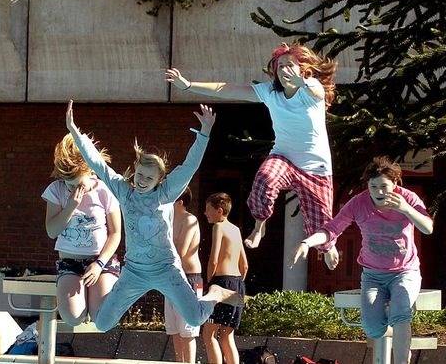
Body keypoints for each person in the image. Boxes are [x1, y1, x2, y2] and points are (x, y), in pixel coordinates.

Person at [65, 100, 242, 332]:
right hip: (134, 272)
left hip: (166, 269)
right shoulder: (124, 192)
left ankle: (216, 293)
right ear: (135, 170)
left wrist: (204, 133)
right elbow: (98, 164)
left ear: (159, 180)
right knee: (102, 323)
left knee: (196, 317)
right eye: (139, 175)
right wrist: (74, 131)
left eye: (149, 179)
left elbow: (189, 167)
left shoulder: (165, 194)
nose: (141, 181)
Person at [165, 43, 337, 255]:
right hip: (283, 157)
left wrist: (303, 81)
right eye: (280, 66)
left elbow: (318, 91)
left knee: (323, 222)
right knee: (265, 177)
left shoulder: (309, 90)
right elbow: (226, 89)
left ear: (303, 69)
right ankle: (259, 228)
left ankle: (328, 249)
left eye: (289, 65)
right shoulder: (270, 92)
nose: (284, 70)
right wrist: (189, 85)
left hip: (316, 167)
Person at [291, 156, 432, 364]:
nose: (379, 192)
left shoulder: (408, 198)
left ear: (395, 183)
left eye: (384, 186)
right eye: (373, 186)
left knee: (401, 312)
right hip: (373, 276)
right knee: (373, 327)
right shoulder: (359, 203)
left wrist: (405, 209)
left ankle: (402, 354)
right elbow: (332, 229)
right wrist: (307, 243)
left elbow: (428, 228)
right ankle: (394, 321)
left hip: (405, 272)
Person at [43, 135, 122, 325]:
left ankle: (112, 292)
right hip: (70, 262)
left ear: (90, 171)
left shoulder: (105, 190)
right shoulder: (57, 191)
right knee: (73, 317)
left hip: (101, 262)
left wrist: (99, 264)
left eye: (78, 184)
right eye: (70, 185)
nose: (74, 189)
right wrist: (70, 206)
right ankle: (83, 303)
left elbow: (115, 233)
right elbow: (51, 231)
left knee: (101, 318)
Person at [202, 192, 247, 364]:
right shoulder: (235, 230)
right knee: (227, 335)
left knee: (209, 334)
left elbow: (213, 260)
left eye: (208, 210)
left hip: (221, 283)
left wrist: (210, 282)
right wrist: (237, 283)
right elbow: (245, 265)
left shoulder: (218, 227)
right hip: (237, 283)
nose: (205, 213)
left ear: (219, 211)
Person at [164, 188, 202, 363]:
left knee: (188, 329)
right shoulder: (169, 220)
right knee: (174, 329)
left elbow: (181, 251)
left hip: (189, 278)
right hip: (172, 278)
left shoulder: (190, 219)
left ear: (180, 201)